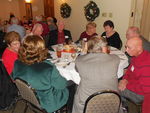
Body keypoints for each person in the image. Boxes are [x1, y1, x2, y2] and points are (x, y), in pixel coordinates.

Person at [12, 35, 69, 113]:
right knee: (70, 86)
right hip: (48, 103)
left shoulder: (17, 62)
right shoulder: (47, 68)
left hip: (29, 96)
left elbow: (14, 77)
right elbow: (62, 85)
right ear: (41, 50)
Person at [72, 36, 120, 113]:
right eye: (105, 45)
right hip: (112, 102)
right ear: (103, 47)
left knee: (75, 87)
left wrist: (84, 51)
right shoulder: (115, 59)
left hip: (86, 104)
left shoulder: (80, 61)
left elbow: (76, 69)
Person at [118, 37, 150, 113]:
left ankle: (122, 108)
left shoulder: (146, 65)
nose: (126, 50)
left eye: (129, 48)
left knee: (114, 89)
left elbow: (145, 89)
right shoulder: (136, 56)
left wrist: (127, 84)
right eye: (126, 47)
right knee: (118, 83)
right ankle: (124, 105)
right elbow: (129, 70)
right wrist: (124, 79)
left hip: (141, 95)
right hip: (133, 85)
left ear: (139, 48)